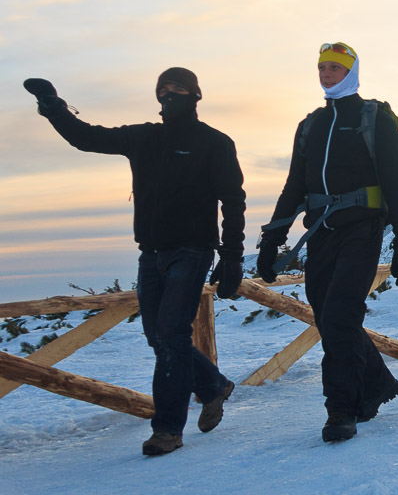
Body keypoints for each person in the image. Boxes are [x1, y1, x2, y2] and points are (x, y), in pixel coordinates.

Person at [24, 69, 245, 455]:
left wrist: (232, 256)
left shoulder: (214, 143)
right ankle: (213, 385)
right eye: (163, 90)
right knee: (157, 336)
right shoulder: (145, 137)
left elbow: (234, 201)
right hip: (152, 253)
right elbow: (88, 137)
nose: (169, 95)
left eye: (178, 89)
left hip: (192, 251)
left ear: (195, 95)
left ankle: (168, 429)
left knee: (172, 335)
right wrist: (53, 107)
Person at [256, 42, 398, 443]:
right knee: (328, 316)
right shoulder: (311, 125)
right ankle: (377, 382)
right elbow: (294, 185)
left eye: (335, 68)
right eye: (323, 68)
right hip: (321, 234)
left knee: (341, 316)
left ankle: (340, 409)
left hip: (362, 230)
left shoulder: (375, 119)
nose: (327, 74)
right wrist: (271, 239)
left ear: (352, 71)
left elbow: (395, 183)